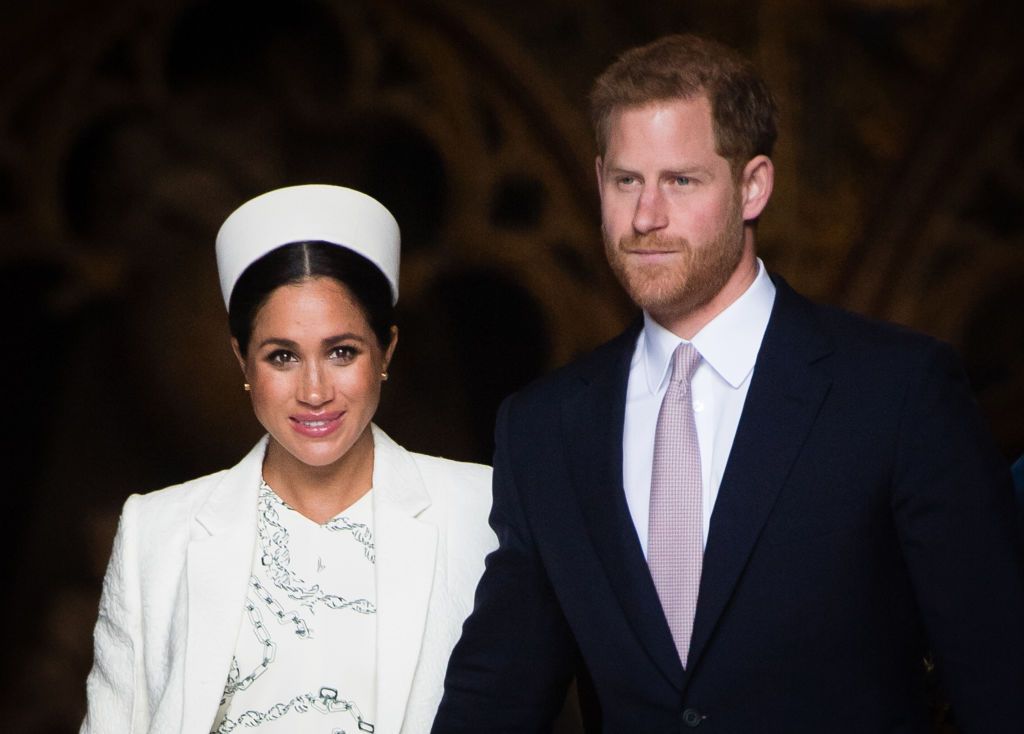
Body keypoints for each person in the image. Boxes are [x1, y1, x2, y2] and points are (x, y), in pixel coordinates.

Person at [432, 34, 1024, 733]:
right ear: (599, 183)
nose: (646, 216)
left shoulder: (897, 393)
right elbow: (497, 695)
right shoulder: (544, 429)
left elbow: (1000, 681)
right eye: (627, 181)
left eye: (680, 181)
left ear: (753, 186)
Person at [81, 184, 497, 734]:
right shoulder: (156, 534)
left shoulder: (483, 510)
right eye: (282, 357)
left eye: (341, 351)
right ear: (242, 360)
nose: (315, 390)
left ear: (387, 351)